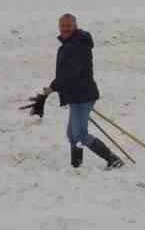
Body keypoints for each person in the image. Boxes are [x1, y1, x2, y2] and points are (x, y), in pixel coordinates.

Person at [39, 14, 122, 170]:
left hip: (83, 96)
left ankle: (113, 159)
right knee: (72, 134)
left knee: (79, 134)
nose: (65, 28)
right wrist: (54, 86)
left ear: (75, 25)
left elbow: (71, 72)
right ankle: (76, 165)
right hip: (77, 95)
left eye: (68, 25)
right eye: (62, 25)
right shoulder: (71, 43)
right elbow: (66, 73)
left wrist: (52, 87)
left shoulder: (78, 44)